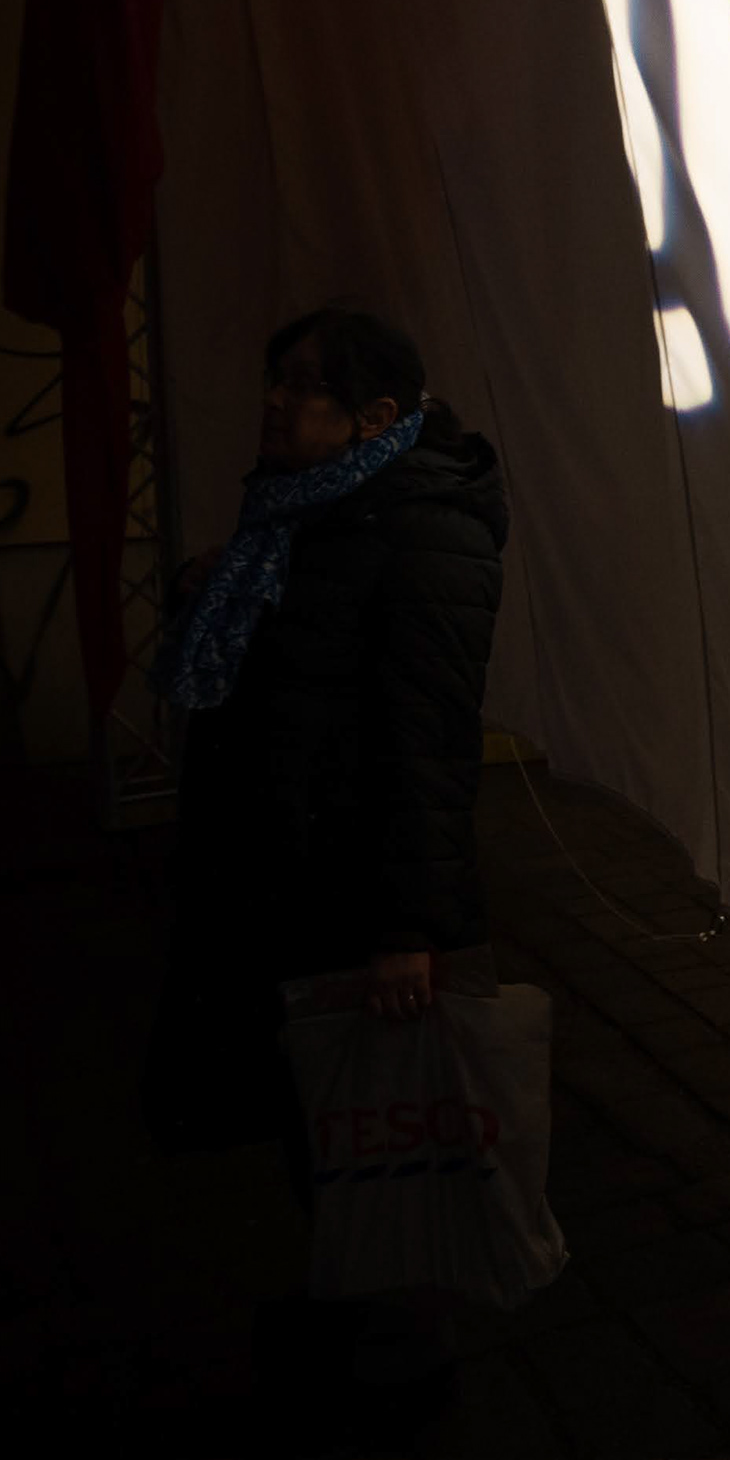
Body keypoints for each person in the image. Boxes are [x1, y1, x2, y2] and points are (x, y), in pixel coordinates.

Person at [144, 307, 506, 1167]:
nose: (276, 401)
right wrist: (208, 585)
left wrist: (407, 931)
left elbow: (427, 741)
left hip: (341, 885)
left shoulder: (422, 529)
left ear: (374, 416)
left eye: (306, 386)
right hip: (274, 869)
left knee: (358, 1131)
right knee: (299, 1105)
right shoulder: (301, 505)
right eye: (277, 380)